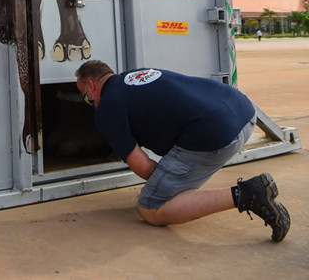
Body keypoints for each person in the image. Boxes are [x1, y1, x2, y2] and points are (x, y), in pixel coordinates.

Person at [74, 60, 290, 242]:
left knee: (151, 207)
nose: (89, 102)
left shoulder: (107, 108)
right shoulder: (135, 76)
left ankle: (248, 194)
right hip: (243, 111)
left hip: (217, 135)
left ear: (91, 86)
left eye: (85, 97)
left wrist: (163, 186)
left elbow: (143, 166)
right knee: (172, 188)